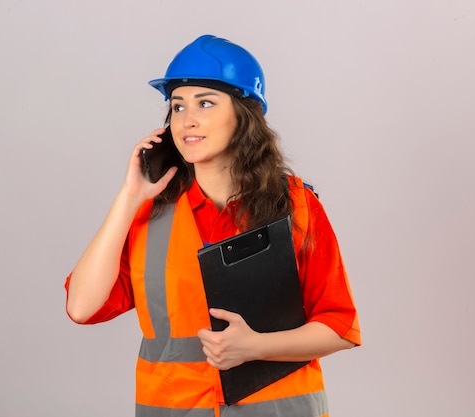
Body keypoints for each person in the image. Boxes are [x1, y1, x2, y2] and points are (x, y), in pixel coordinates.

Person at [65, 34, 361, 417]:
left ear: (244, 113)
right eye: (177, 106)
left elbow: (339, 324)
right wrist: (128, 197)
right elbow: (82, 307)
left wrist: (256, 347)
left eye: (205, 103)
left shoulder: (296, 205)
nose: (187, 120)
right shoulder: (147, 215)